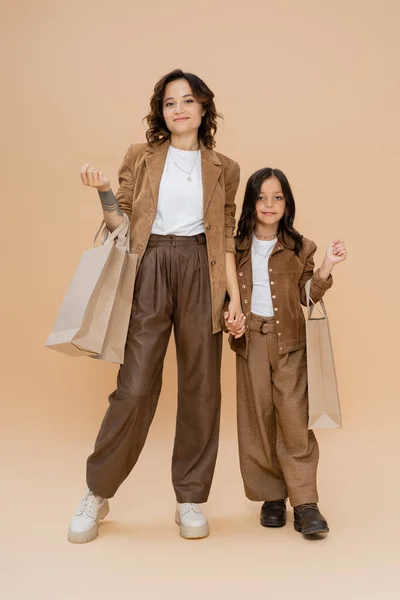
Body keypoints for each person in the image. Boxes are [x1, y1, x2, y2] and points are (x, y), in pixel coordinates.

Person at [68, 69, 245, 544]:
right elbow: (120, 221)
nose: (179, 109)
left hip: (201, 270)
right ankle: (97, 491)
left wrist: (233, 298)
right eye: (170, 102)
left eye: (188, 101)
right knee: (135, 385)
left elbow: (225, 238)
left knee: (202, 387)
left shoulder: (225, 168)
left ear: (204, 108)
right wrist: (104, 190)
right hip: (150, 266)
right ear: (161, 112)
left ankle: (189, 497)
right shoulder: (141, 158)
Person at [224, 167, 347, 536]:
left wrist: (327, 264)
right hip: (250, 342)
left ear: (287, 203)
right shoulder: (236, 246)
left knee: (294, 421)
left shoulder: (299, 247)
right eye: (261, 197)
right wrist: (231, 320)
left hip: (290, 343)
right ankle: (272, 497)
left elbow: (305, 295)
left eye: (277, 197)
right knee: (257, 421)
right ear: (251, 202)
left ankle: (306, 503)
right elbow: (224, 293)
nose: (269, 204)